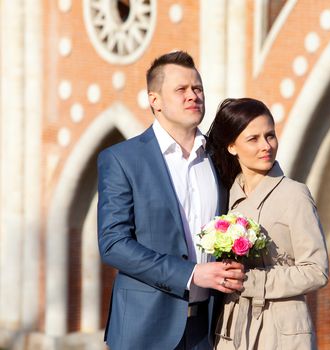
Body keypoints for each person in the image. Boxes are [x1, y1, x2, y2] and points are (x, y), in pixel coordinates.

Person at [97, 51, 245, 350]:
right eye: (181, 90)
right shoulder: (122, 159)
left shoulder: (220, 158)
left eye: (198, 89)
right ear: (155, 100)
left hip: (209, 328)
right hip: (144, 330)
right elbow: (113, 244)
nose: (193, 96)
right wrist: (191, 274)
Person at [207, 98, 329, 349]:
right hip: (232, 330)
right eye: (253, 139)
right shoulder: (225, 196)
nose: (266, 146)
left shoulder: (295, 194)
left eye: (270, 136)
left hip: (282, 331)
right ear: (232, 146)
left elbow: (317, 271)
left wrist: (251, 281)